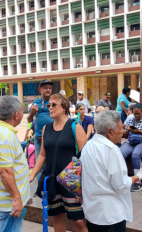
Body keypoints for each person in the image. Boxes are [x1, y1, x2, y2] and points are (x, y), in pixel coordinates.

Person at [81, 111, 142, 232]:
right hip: (111, 215)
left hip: (92, 212)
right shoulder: (112, 150)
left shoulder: (88, 145)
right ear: (110, 131)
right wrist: (140, 175)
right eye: (121, 129)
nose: (123, 133)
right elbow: (121, 185)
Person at [30, 94, 88, 232]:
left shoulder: (75, 127)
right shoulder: (46, 128)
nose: (50, 108)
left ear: (64, 107)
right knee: (57, 217)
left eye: (54, 105)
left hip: (71, 183)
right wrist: (32, 175)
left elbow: (86, 156)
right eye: (49, 105)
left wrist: (84, 186)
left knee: (78, 220)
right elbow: (43, 155)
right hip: (52, 180)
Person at [0, 96, 31, 232]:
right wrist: (17, 199)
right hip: (9, 203)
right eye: (22, 111)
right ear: (16, 114)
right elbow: (5, 172)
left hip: (1, 199)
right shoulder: (5, 137)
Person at [120, 103, 142, 192]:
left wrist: (139, 132)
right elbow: (125, 136)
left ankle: (137, 182)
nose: (136, 115)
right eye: (135, 113)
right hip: (131, 142)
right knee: (120, 153)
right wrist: (127, 131)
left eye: (138, 113)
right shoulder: (130, 119)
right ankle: (120, 178)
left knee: (136, 154)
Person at [27, 79, 54, 181]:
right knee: (40, 165)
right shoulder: (36, 102)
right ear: (39, 90)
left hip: (52, 138)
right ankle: (41, 189)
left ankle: (52, 189)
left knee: (52, 164)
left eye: (49, 88)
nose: (48, 90)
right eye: (45, 88)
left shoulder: (54, 101)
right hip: (39, 140)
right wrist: (32, 112)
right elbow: (29, 120)